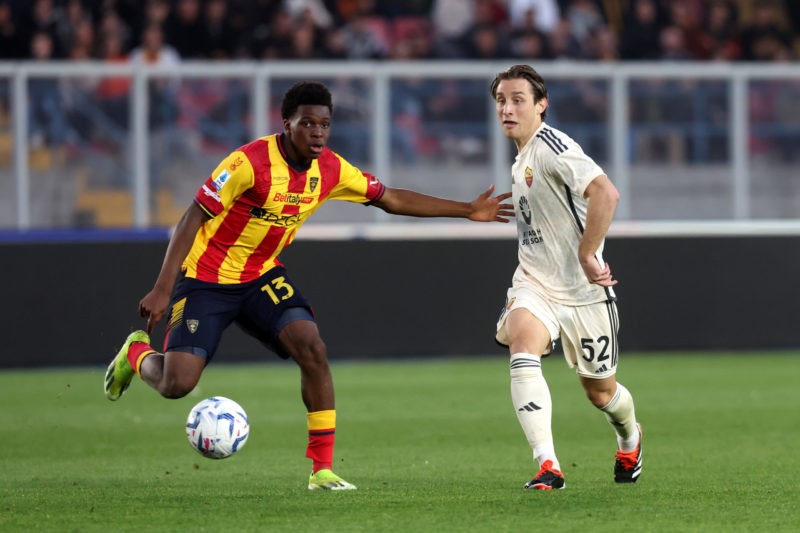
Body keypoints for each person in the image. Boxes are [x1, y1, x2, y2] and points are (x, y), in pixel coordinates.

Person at [104, 80, 514, 491]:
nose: (318, 133)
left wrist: (466, 210)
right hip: (205, 279)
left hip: (261, 274)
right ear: (287, 125)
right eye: (308, 124)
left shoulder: (331, 169)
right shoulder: (248, 162)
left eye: (324, 125)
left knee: (312, 348)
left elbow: (390, 198)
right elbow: (193, 216)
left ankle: (322, 470)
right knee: (178, 384)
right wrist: (163, 286)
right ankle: (136, 353)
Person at [491, 65, 642, 490]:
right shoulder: (521, 159)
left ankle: (630, 436)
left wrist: (587, 252)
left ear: (541, 105)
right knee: (522, 343)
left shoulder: (552, 146)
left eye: (518, 99)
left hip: (584, 293)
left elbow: (606, 193)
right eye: (501, 100)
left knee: (601, 395)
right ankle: (548, 465)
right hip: (535, 283)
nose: (507, 108)